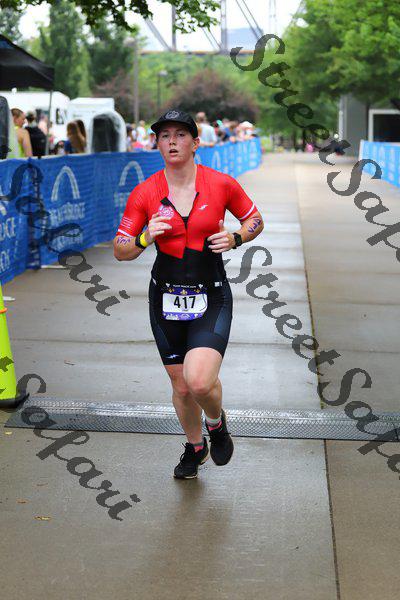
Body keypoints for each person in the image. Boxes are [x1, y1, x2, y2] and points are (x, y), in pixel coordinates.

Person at [114, 109, 264, 479]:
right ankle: (195, 447)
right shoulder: (145, 192)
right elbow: (121, 249)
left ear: (196, 143)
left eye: (180, 135)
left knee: (199, 381)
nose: (172, 142)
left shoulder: (221, 184)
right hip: (164, 297)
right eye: (165, 136)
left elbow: (256, 220)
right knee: (181, 387)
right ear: (157, 144)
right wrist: (146, 237)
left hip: (211, 295)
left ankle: (216, 423)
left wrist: (236, 237)